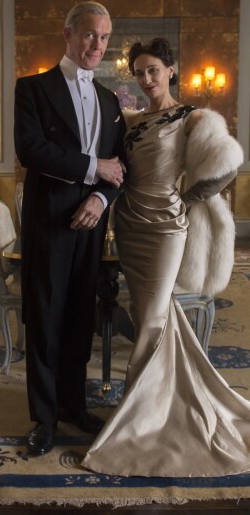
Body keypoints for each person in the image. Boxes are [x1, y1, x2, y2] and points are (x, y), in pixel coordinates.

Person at [82, 37, 250, 477]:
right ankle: (163, 400)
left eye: (153, 69)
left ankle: (137, 416)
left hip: (165, 227)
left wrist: (188, 199)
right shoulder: (133, 118)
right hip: (130, 225)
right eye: (139, 72)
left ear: (170, 70)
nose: (146, 79)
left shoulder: (190, 115)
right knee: (146, 314)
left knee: (154, 318)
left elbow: (228, 161)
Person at [14, 1, 127, 456]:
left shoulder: (109, 99)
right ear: (68, 34)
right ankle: (43, 418)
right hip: (49, 221)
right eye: (89, 35)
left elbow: (121, 169)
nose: (97, 45)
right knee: (46, 318)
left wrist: (101, 198)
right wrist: (92, 168)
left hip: (92, 223)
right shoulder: (33, 89)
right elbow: (32, 151)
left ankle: (73, 404)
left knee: (81, 317)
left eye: (104, 37)